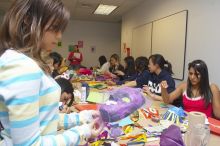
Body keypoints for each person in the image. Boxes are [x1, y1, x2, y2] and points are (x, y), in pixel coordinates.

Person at [0, 0, 103, 145]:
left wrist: (83, 117)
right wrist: (82, 132)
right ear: (29, 21)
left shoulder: (24, 62)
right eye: (55, 28)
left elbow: (45, 118)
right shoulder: (22, 66)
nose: (60, 36)